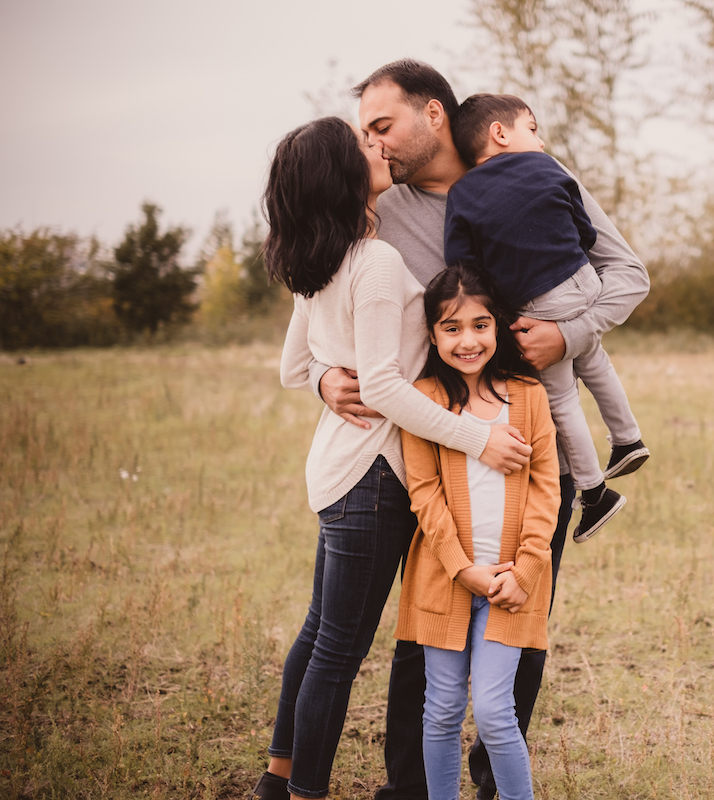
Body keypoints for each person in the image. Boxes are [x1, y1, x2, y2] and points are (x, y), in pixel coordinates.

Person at [316, 58, 649, 800]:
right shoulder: (382, 208)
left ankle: (496, 784)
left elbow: (627, 273)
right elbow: (321, 296)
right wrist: (320, 374)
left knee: (518, 619)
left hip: (537, 436)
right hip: (432, 443)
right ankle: (409, 789)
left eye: (383, 126)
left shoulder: (533, 168)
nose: (376, 145)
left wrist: (569, 337)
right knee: (427, 624)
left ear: (434, 113)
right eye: (367, 132)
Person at [251, 117, 532, 800]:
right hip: (374, 477)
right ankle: (302, 793)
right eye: (362, 146)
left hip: (341, 471)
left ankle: (277, 779)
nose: (376, 148)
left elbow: (298, 365)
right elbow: (379, 384)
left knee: (321, 635)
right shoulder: (372, 262)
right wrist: (479, 438)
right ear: (341, 174)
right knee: (338, 651)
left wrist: (324, 378)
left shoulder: (321, 256)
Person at [445, 92, 650, 544]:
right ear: (500, 133)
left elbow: (463, 268)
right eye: (532, 129)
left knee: (562, 401)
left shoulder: (462, 194)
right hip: (583, 279)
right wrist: (571, 253)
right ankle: (628, 439)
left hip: (538, 304)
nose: (540, 141)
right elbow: (585, 226)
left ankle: (595, 492)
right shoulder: (549, 166)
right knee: (595, 361)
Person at [397, 263, 559, 800]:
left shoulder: (529, 395)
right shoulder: (420, 400)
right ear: (431, 333)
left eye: (480, 324)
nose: (468, 339)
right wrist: (463, 568)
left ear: (498, 325)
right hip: (447, 578)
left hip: (513, 583)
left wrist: (531, 567)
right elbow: (425, 495)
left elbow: (545, 487)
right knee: (441, 709)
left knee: (493, 711)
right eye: (451, 327)